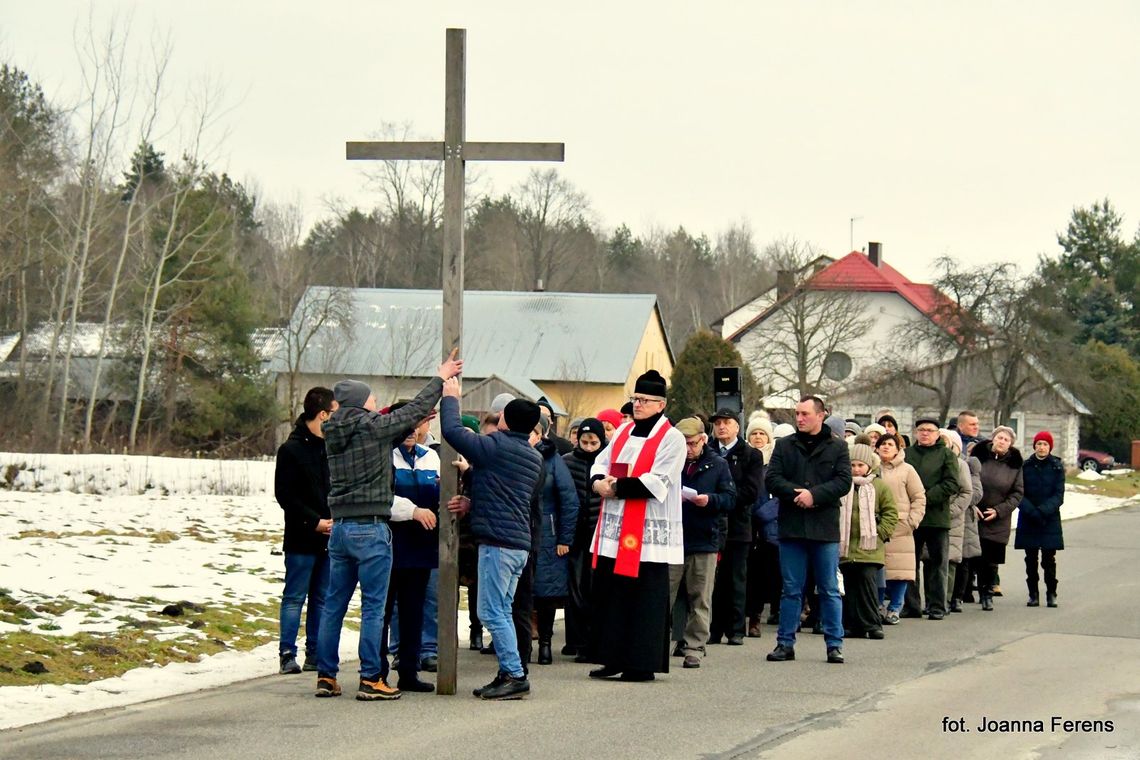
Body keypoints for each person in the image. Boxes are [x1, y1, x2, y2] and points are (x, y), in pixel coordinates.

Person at [315, 349, 461, 701]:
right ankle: (370, 678)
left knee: (334, 603)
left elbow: (399, 425)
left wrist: (420, 413)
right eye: (373, 399)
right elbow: (404, 416)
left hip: (341, 529)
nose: (376, 403)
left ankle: (326, 675)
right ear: (361, 403)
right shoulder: (371, 426)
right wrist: (440, 378)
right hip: (371, 528)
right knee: (374, 605)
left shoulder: (335, 431)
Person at [442, 386, 544, 700]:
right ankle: (509, 671)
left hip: (498, 544)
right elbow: (504, 493)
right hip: (518, 544)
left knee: (492, 611)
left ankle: (514, 674)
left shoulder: (495, 446)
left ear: (504, 421)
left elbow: (452, 430)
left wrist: (451, 397)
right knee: (503, 609)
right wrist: (473, 498)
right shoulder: (532, 456)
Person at [588, 370, 685, 682]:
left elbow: (658, 481)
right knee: (611, 595)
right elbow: (600, 461)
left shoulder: (672, 439)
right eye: (635, 399)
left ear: (660, 405)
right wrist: (597, 482)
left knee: (644, 600)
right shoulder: (624, 432)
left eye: (643, 400)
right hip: (615, 531)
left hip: (647, 532)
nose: (637, 405)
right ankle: (611, 656)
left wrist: (615, 488)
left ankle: (640, 662)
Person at [765, 396, 852, 665]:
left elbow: (843, 481)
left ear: (821, 415)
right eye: (797, 413)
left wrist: (814, 495)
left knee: (828, 588)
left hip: (823, 528)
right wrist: (796, 494)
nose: (799, 418)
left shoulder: (837, 446)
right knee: (791, 589)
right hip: (792, 526)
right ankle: (785, 643)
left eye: (804, 413)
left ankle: (834, 644)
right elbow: (772, 478)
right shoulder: (784, 445)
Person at [379, 404, 441, 694]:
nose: (412, 431)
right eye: (406, 424)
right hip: (389, 544)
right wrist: (413, 510)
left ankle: (409, 671)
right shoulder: (383, 456)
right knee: (381, 611)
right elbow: (380, 499)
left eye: (417, 423)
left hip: (421, 546)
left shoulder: (431, 457)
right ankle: (376, 669)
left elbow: (441, 495)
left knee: (413, 610)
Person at [275, 387, 335, 675]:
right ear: (322, 414)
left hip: (330, 537)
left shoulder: (332, 448)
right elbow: (285, 495)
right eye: (334, 413)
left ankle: (315, 651)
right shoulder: (291, 449)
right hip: (302, 537)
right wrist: (314, 522)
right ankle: (287, 653)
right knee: (295, 597)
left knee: (321, 597)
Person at [669, 417, 736, 668]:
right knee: (665, 594)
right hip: (673, 539)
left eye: (692, 444)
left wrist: (710, 500)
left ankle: (695, 646)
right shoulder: (670, 462)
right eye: (683, 444)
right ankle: (658, 642)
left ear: (703, 440)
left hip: (704, 538)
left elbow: (730, 499)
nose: (687, 449)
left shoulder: (717, 465)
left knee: (700, 597)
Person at [707, 408, 764, 647]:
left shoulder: (750, 454)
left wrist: (723, 500)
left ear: (737, 427)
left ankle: (736, 628)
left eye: (726, 422)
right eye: (717, 423)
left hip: (738, 525)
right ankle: (714, 628)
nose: (721, 427)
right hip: (711, 523)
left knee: (736, 578)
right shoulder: (708, 451)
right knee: (714, 580)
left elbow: (751, 491)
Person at [903, 416, 961, 620]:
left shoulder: (946, 455)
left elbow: (952, 483)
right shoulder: (907, 454)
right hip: (911, 517)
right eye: (921, 430)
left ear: (937, 434)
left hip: (937, 517)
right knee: (910, 563)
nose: (925, 433)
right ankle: (911, 605)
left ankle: (937, 605)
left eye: (929, 430)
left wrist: (925, 498)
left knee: (938, 563)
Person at [533, 416, 580, 665]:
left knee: (547, 592)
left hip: (549, 534)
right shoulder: (512, 456)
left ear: (541, 434)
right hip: (519, 532)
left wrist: (564, 537)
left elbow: (569, 500)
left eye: (534, 431)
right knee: (519, 591)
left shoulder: (553, 460)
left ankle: (545, 643)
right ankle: (519, 645)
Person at [839, 444, 898, 639]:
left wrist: (880, 533)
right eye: (853, 465)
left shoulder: (879, 486)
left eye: (860, 465)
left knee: (867, 585)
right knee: (848, 587)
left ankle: (872, 624)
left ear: (869, 466)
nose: (856, 469)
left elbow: (891, 513)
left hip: (870, 547)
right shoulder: (842, 485)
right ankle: (851, 625)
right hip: (845, 547)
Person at [562, 418, 606, 661]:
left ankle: (594, 639)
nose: (589, 446)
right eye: (585, 441)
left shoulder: (605, 462)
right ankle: (576, 640)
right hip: (576, 534)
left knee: (595, 588)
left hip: (600, 532)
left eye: (594, 442)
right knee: (576, 588)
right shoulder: (567, 462)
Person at [874, 433, 926, 625]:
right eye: (882, 444)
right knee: (878, 570)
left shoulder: (907, 470)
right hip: (876, 529)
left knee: (899, 571)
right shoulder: (872, 468)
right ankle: (877, 605)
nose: (886, 447)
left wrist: (912, 521)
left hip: (900, 528)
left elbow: (919, 497)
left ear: (898, 449)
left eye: (890, 444)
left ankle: (895, 607)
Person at [974, 426, 1026, 611]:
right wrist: (973, 506)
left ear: (1010, 444)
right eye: (999, 437)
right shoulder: (978, 456)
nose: (1002, 441)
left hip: (999, 518)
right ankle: (971, 591)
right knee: (974, 556)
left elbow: (1018, 493)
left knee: (991, 558)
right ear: (992, 439)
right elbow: (968, 481)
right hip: (976, 513)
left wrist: (999, 510)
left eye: (1006, 439)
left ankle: (988, 592)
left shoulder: (1015, 465)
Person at [1015, 431, 1065, 607]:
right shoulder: (1025, 466)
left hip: (1049, 519)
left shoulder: (1057, 467)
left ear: (1050, 447)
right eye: (1039, 444)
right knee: (1030, 558)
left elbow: (1059, 495)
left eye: (1045, 444)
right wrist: (1032, 511)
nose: (1041, 447)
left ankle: (1051, 593)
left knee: (1048, 559)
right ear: (1034, 446)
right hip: (1029, 517)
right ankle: (1033, 594)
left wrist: (1043, 511)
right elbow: (1019, 493)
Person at [744, 411, 778, 635]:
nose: (758, 437)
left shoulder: (775, 463)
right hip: (745, 525)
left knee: (766, 575)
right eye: (754, 433)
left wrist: (762, 514)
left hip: (768, 526)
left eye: (762, 433)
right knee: (747, 575)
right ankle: (747, 617)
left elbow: (780, 496)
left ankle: (760, 617)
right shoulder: (744, 459)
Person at [940, 429, 974, 615]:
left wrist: (950, 511)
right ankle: (933, 599)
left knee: (950, 561)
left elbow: (966, 492)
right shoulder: (935, 463)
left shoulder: (960, 465)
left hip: (953, 517)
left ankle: (946, 599)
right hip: (933, 516)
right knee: (932, 561)